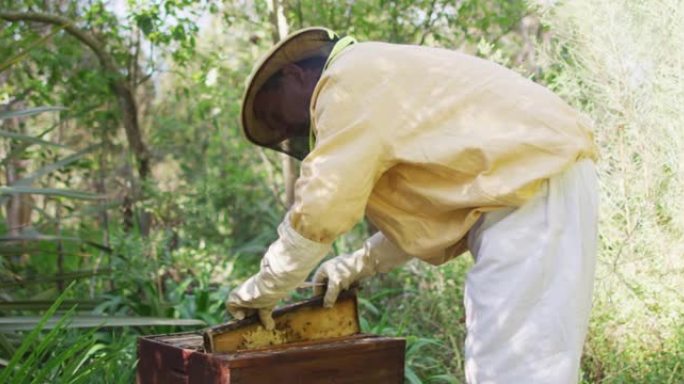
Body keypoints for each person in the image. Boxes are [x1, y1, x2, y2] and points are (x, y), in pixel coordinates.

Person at [227, 27, 598, 384]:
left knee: (512, 367)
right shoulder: (374, 76)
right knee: (510, 360)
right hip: (528, 183)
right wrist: (360, 262)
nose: (288, 130)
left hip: (530, 185)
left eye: (278, 116)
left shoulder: (346, 83)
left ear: (293, 75)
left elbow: (321, 207)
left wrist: (267, 285)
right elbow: (435, 210)